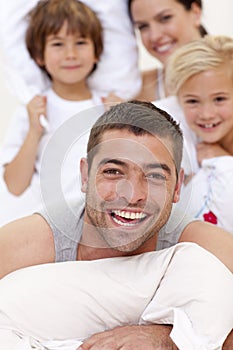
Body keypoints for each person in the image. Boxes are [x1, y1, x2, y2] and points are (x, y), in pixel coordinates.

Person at [0, 101, 233, 348]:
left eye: (155, 176)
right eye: (113, 172)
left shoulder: (204, 247)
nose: (133, 196)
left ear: (177, 188)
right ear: (85, 176)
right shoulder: (26, 244)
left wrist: (168, 339)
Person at [0, 0, 105, 225]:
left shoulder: (107, 107)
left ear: (97, 52)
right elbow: (14, 185)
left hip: (92, 227)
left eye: (80, 42)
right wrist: (33, 132)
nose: (71, 54)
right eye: (58, 44)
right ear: (39, 56)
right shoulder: (33, 110)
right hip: (44, 227)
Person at [158, 35, 233, 233]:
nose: (206, 114)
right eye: (192, 101)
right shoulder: (177, 130)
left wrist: (222, 161)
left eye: (219, 99)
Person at [128, 0, 207, 101]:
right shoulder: (136, 91)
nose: (154, 36)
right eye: (142, 26)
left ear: (196, 13)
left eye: (165, 18)